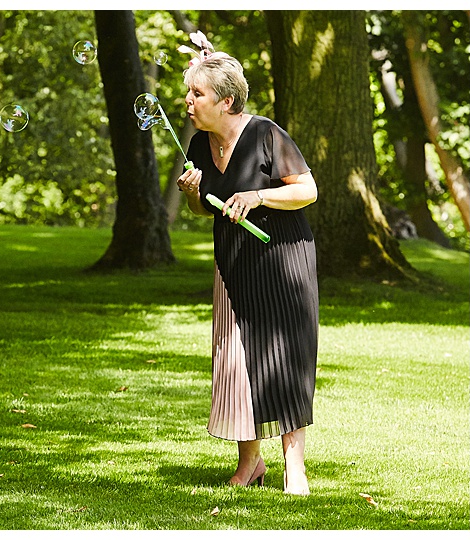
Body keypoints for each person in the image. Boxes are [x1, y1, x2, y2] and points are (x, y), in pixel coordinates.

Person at [176, 42, 319, 496]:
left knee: (284, 358)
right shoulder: (200, 143)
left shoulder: (265, 135)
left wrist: (259, 196)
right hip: (232, 265)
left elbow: (308, 190)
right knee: (236, 362)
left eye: (197, 93)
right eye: (189, 93)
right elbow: (207, 211)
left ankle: (294, 467)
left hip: (283, 262)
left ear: (227, 102)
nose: (189, 101)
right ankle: (249, 463)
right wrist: (193, 194)